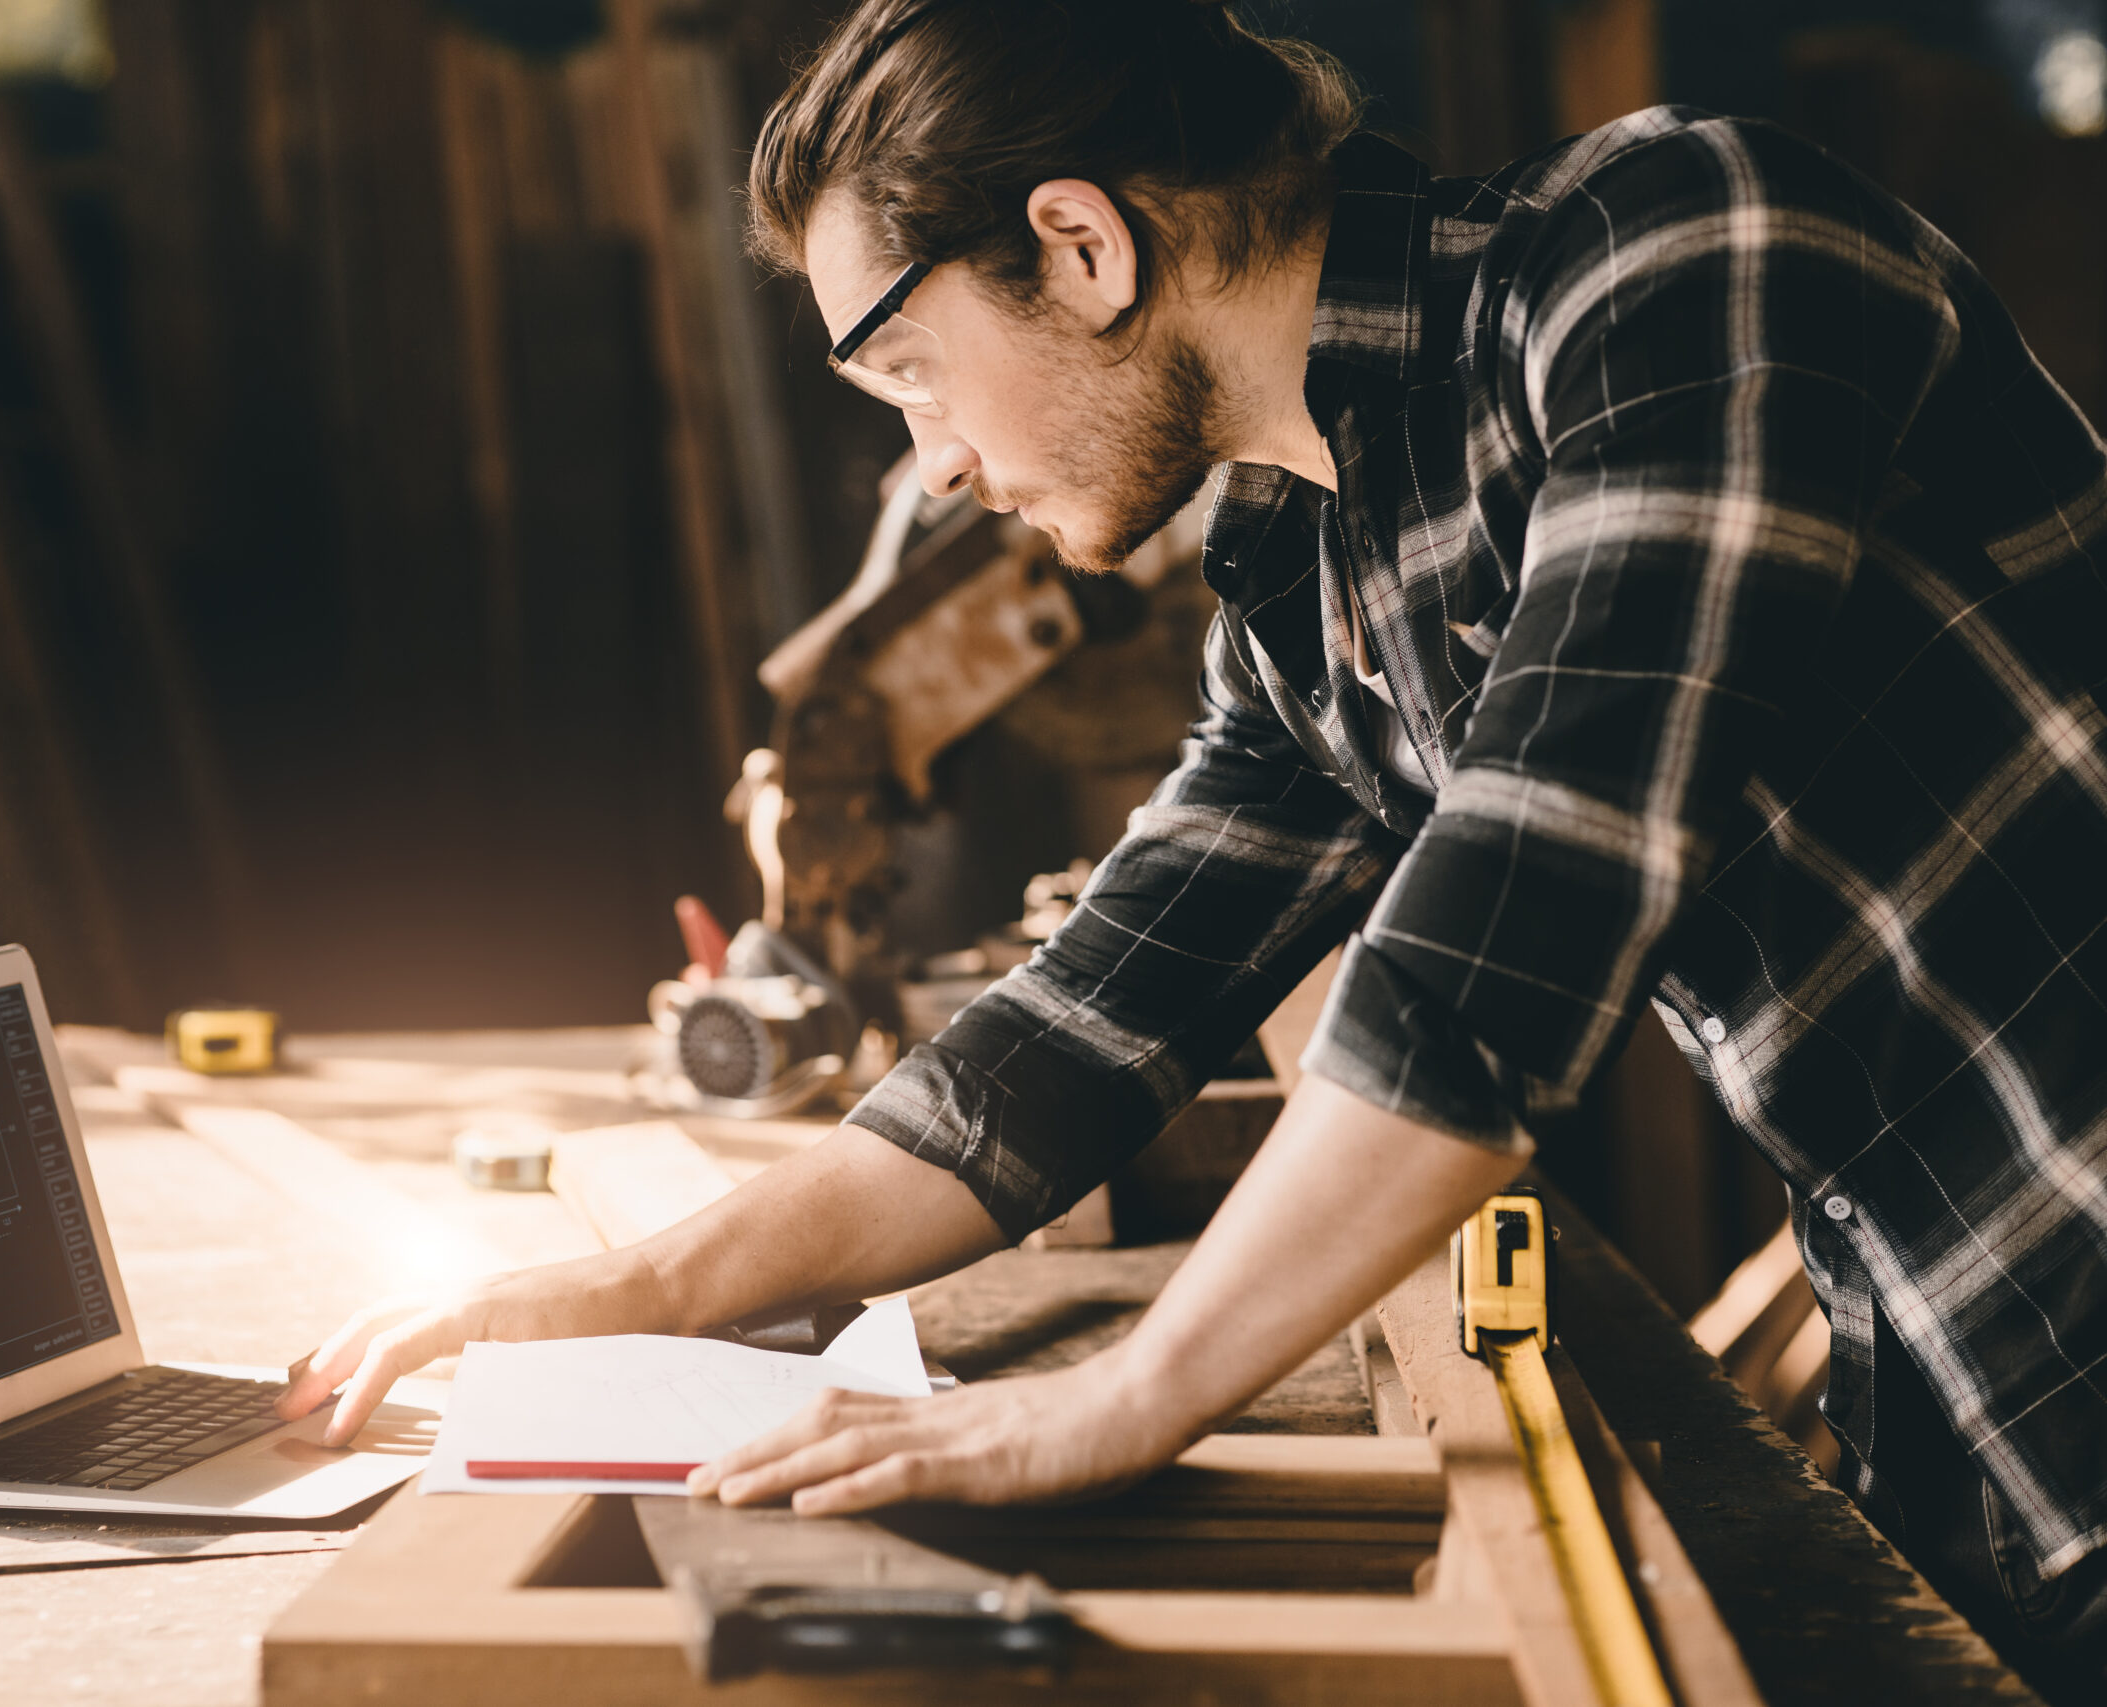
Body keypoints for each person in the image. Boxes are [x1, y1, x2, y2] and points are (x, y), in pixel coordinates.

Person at [278, 1, 2107, 1693]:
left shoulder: (1679, 253)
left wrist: (1126, 1399)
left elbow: (1529, 902)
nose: (940, 469)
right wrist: (648, 1288)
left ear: (1082, 247)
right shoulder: (1310, 586)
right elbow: (1078, 1027)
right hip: (1967, 1406)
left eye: (913, 371)